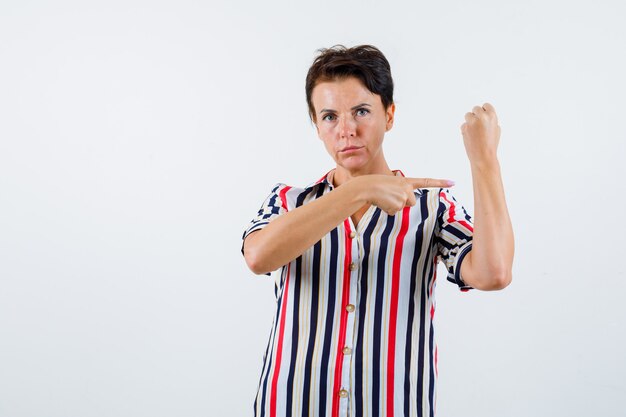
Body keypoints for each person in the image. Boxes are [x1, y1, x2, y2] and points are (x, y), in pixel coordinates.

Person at [241, 44, 514, 417]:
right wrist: (359, 189)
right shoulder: (288, 201)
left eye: (361, 111)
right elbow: (258, 257)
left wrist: (484, 161)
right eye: (329, 117)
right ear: (316, 125)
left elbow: (493, 272)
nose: (346, 130)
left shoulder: (433, 207)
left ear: (389, 115)